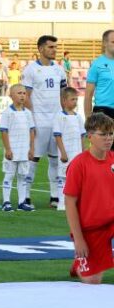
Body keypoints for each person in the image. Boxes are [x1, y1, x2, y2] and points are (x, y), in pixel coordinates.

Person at [63, 112, 114, 284]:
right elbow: (69, 203)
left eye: (111, 134)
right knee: (92, 282)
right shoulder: (79, 164)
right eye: (103, 134)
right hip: (91, 228)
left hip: (111, 221)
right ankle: (80, 263)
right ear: (90, 136)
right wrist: (78, 239)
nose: (108, 138)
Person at [22, 35, 67, 208]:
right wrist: (32, 119)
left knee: (55, 159)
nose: (54, 50)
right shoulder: (31, 70)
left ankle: (55, 196)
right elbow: (26, 96)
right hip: (39, 120)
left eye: (55, 47)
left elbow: (64, 94)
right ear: (41, 49)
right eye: (51, 47)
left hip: (56, 120)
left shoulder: (59, 70)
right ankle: (25, 196)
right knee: (33, 158)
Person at [0, 84, 36, 212]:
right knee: (9, 176)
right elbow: (4, 132)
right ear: (11, 96)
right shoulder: (7, 113)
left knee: (22, 177)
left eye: (24, 93)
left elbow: (32, 131)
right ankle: (6, 202)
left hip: (24, 151)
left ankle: (22, 202)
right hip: (13, 151)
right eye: (19, 93)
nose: (22, 95)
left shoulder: (28, 113)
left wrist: (31, 149)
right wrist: (8, 149)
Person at [53, 87, 86, 211]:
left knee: (76, 178)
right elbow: (57, 135)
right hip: (65, 153)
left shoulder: (78, 117)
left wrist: (83, 152)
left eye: (76, 99)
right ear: (64, 101)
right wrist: (62, 152)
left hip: (77, 154)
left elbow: (82, 136)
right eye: (72, 99)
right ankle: (62, 202)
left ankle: (76, 203)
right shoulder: (59, 116)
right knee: (63, 177)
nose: (75, 102)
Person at [84, 29, 114, 150]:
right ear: (105, 43)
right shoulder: (97, 64)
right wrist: (88, 120)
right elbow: (88, 94)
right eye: (113, 41)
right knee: (104, 152)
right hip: (103, 111)